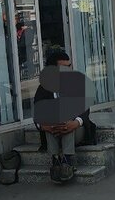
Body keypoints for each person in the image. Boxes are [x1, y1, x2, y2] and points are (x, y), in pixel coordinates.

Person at [33, 48, 90, 182]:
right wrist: (44, 126)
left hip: (76, 130)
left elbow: (85, 109)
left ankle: (67, 161)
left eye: (69, 66)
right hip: (54, 132)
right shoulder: (43, 88)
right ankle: (56, 161)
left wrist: (76, 122)